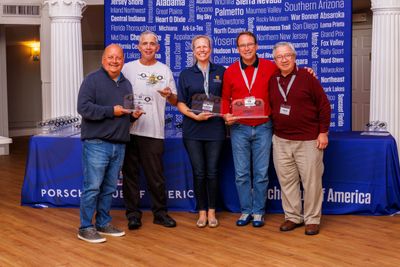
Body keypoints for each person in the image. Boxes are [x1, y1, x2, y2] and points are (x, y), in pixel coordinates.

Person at [77, 44, 143, 243]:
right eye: (111, 57)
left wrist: (133, 116)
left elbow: (125, 115)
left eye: (118, 58)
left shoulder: (127, 84)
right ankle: (85, 227)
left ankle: (103, 222)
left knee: (108, 188)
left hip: (119, 144)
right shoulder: (91, 80)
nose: (115, 61)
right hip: (97, 143)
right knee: (93, 187)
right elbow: (83, 108)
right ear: (103, 59)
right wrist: (110, 111)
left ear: (123, 60)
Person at [269, 42, 331, 235]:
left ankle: (312, 219)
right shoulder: (273, 80)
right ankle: (293, 216)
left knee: (311, 181)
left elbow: (324, 106)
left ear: (295, 57)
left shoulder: (307, 77)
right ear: (275, 60)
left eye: (288, 55)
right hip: (281, 140)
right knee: (287, 181)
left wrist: (323, 132)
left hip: (308, 140)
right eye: (280, 57)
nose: (284, 59)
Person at [121, 30, 178, 229]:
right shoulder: (127, 68)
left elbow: (174, 99)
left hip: (153, 131)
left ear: (157, 47)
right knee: (130, 176)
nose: (148, 47)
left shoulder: (164, 70)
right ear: (138, 47)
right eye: (144, 43)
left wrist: (169, 94)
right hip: (129, 130)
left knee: (156, 176)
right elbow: (119, 94)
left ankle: (160, 213)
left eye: (151, 44)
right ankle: (133, 215)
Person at [221, 31, 277, 227]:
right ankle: (246, 211)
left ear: (256, 46)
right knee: (242, 173)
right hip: (239, 128)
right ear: (237, 49)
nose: (246, 48)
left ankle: (259, 212)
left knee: (261, 173)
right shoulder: (230, 71)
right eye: (242, 45)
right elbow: (224, 98)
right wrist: (225, 114)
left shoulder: (271, 67)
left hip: (263, 126)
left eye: (250, 44)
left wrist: (307, 71)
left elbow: (289, 73)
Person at [177, 35, 226, 228]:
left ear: (210, 49)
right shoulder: (186, 74)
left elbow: (228, 98)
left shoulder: (221, 71)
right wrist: (193, 115)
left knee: (212, 172)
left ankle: (212, 212)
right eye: (198, 47)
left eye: (205, 46)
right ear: (193, 50)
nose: (202, 50)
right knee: (199, 172)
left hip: (215, 129)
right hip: (193, 128)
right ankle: (202, 212)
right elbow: (180, 102)